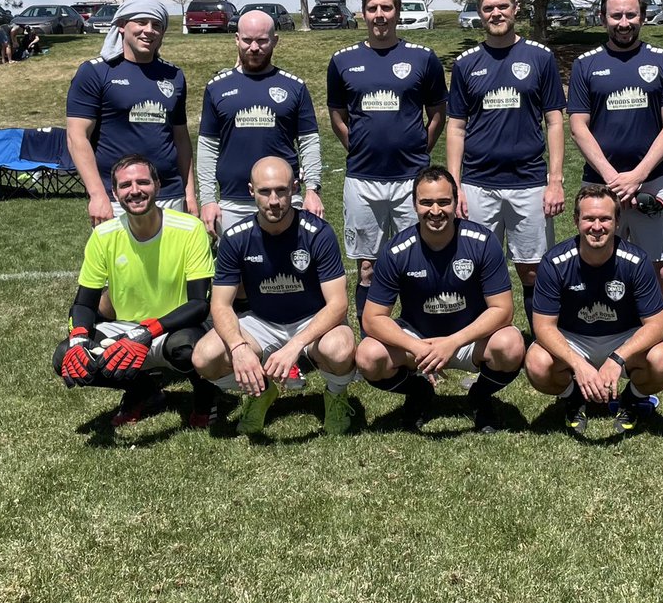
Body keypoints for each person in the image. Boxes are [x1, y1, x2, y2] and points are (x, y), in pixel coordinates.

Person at [567, 0, 663, 395]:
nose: (624, 22)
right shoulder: (586, 64)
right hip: (598, 186)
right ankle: (588, 350)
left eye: (631, 14)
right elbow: (578, 125)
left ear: (643, 15)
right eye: (616, 15)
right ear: (603, 17)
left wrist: (638, 175)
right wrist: (611, 176)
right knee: (594, 269)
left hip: (650, 183)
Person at [192, 157, 356, 437]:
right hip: (262, 322)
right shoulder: (235, 236)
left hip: (311, 321)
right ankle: (260, 391)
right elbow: (219, 304)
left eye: (281, 190)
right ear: (250, 191)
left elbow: (339, 304)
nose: (274, 200)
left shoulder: (318, 233)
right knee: (204, 358)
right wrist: (238, 347)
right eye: (265, 191)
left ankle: (336, 396)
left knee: (340, 348)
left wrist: (295, 346)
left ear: (294, 188)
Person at [357, 166, 525, 433]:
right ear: (414, 205)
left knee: (511, 345)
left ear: (456, 203)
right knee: (368, 356)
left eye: (444, 202)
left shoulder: (482, 241)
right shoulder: (396, 250)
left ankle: (480, 396)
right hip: (419, 340)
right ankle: (419, 391)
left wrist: (453, 342)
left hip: (469, 339)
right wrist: (416, 346)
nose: (435, 211)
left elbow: (503, 310)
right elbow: (372, 318)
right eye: (426, 202)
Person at [53, 154, 216, 427]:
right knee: (64, 356)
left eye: (143, 182)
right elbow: (83, 303)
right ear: (115, 194)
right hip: (127, 328)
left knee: (187, 349)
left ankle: (205, 394)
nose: (135, 190)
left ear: (157, 186)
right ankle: (143, 390)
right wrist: (79, 338)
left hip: (175, 328)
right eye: (125, 185)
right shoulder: (103, 235)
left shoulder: (190, 229)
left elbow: (199, 304)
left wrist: (146, 332)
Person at [446, 0, 566, 334]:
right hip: (478, 183)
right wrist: (456, 186)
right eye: (488, 8)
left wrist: (555, 180)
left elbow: (555, 122)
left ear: (516, 8)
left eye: (502, 6)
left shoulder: (540, 57)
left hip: (529, 182)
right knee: (476, 266)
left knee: (532, 269)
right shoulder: (466, 64)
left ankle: (542, 344)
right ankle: (481, 346)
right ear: (479, 14)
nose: (496, 13)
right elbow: (455, 127)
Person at [326, 0, 446, 327]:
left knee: (418, 259)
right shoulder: (343, 61)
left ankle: (422, 333)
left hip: (411, 179)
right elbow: (337, 115)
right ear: (363, 14)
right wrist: (359, 147)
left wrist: (421, 147)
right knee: (368, 266)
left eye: (387, 8)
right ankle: (371, 338)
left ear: (397, 12)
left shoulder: (422, 58)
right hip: (363, 180)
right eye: (373, 8)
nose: (380, 15)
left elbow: (438, 111)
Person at [525, 185, 663, 436]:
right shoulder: (555, 262)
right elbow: (542, 327)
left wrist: (617, 359)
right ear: (576, 221)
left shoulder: (636, 261)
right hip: (573, 340)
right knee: (536, 362)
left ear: (617, 222)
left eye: (605, 218)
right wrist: (578, 364)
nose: (597, 226)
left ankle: (632, 400)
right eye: (589, 219)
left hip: (622, 337)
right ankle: (573, 399)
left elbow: (658, 325)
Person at [66, 0, 197, 225]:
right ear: (121, 26)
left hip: (170, 194)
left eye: (157, 25)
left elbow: (181, 139)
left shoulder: (174, 75)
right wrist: (98, 194)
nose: (149, 30)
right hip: (118, 196)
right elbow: (77, 136)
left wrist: (189, 194)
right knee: (120, 261)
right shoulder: (95, 72)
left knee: (171, 261)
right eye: (141, 22)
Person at [197, 8, 324, 237]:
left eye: (262, 41)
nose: (253, 48)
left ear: (275, 40)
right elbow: (207, 148)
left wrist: (312, 190)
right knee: (235, 271)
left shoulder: (294, 87)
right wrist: (207, 199)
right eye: (247, 40)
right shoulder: (216, 87)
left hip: (284, 200)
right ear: (236, 39)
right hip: (232, 203)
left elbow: (309, 142)